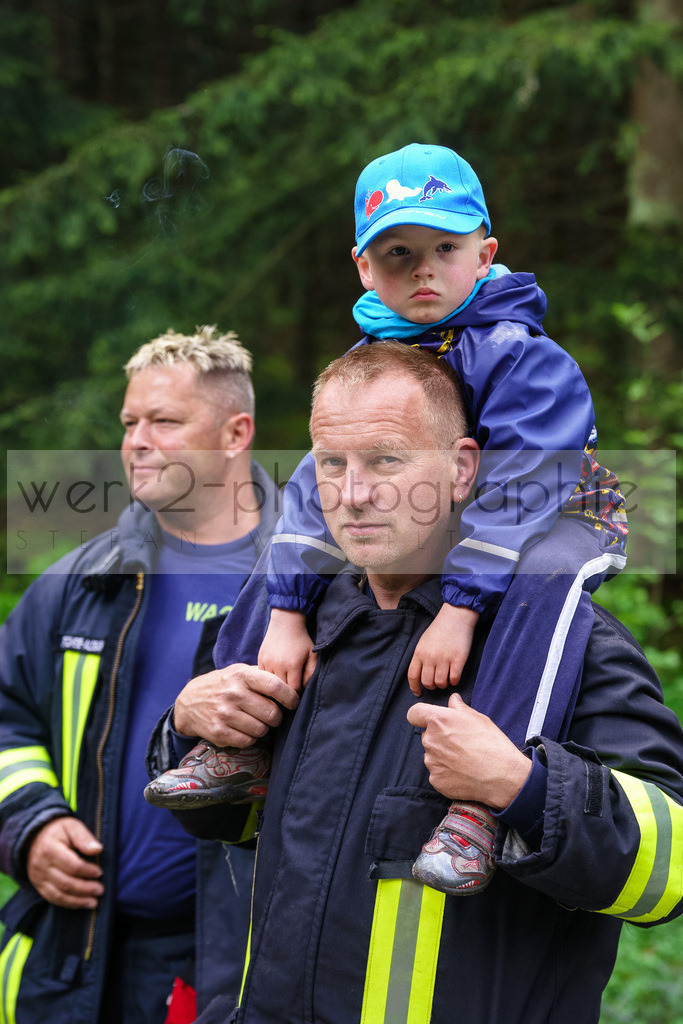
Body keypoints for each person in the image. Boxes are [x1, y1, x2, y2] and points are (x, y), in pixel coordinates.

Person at [148, 343, 683, 1024]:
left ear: (462, 469)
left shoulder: (572, 646)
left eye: (386, 461)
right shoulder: (296, 634)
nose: (352, 495)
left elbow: (669, 870)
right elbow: (230, 821)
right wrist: (186, 728)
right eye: (331, 465)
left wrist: (526, 791)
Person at [148, 143, 628, 895]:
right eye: (398, 253)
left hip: (547, 515)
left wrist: (461, 611)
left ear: (485, 252)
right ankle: (233, 740)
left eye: (445, 247)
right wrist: (284, 615)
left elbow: (522, 485)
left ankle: (480, 803)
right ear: (364, 267)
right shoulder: (373, 352)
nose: (423, 269)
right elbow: (316, 484)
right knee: (284, 541)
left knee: (546, 574)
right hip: (432, 527)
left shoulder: (519, 355)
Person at [0, 326, 281, 1024]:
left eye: (164, 421)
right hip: (76, 956)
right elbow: (6, 713)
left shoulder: (310, 587)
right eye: (130, 421)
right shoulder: (82, 581)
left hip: (242, 968)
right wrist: (29, 825)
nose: (137, 440)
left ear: (235, 432)